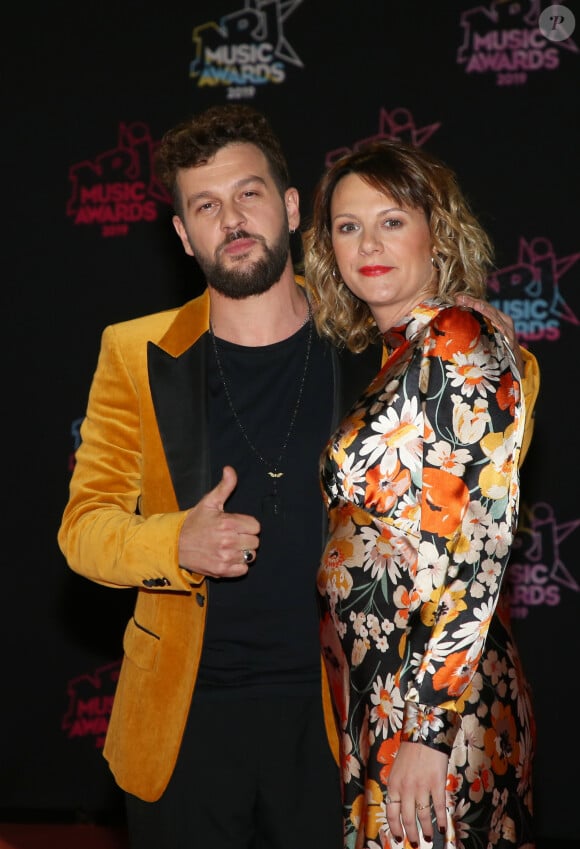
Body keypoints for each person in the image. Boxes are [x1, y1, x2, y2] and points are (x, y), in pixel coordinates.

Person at [57, 105, 538, 849]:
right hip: (186, 723)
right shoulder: (135, 351)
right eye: (205, 206)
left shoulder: (369, 330)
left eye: (248, 194)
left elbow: (485, 424)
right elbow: (83, 531)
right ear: (183, 234)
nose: (231, 219)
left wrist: (478, 326)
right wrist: (175, 541)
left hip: (337, 717)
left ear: (288, 208)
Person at [302, 138, 537, 849]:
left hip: (436, 707)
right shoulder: (404, 350)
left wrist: (428, 732)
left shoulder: (456, 337)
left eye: (392, 220)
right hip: (385, 697)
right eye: (347, 225)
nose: (368, 242)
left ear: (438, 232)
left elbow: (481, 543)